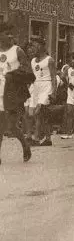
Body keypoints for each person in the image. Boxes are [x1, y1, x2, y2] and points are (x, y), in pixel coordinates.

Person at [0, 23, 33, 164]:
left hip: (13, 93)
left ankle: (25, 146)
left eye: (11, 33)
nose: (10, 36)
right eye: (7, 34)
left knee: (12, 126)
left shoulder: (17, 50)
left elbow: (28, 71)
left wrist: (13, 74)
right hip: (0, 91)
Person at [29, 37, 56, 146]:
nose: (32, 49)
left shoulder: (49, 60)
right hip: (36, 87)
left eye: (34, 46)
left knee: (38, 111)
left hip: (46, 86)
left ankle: (35, 138)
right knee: (39, 115)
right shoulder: (32, 61)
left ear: (40, 46)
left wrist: (53, 92)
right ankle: (48, 138)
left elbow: (54, 77)